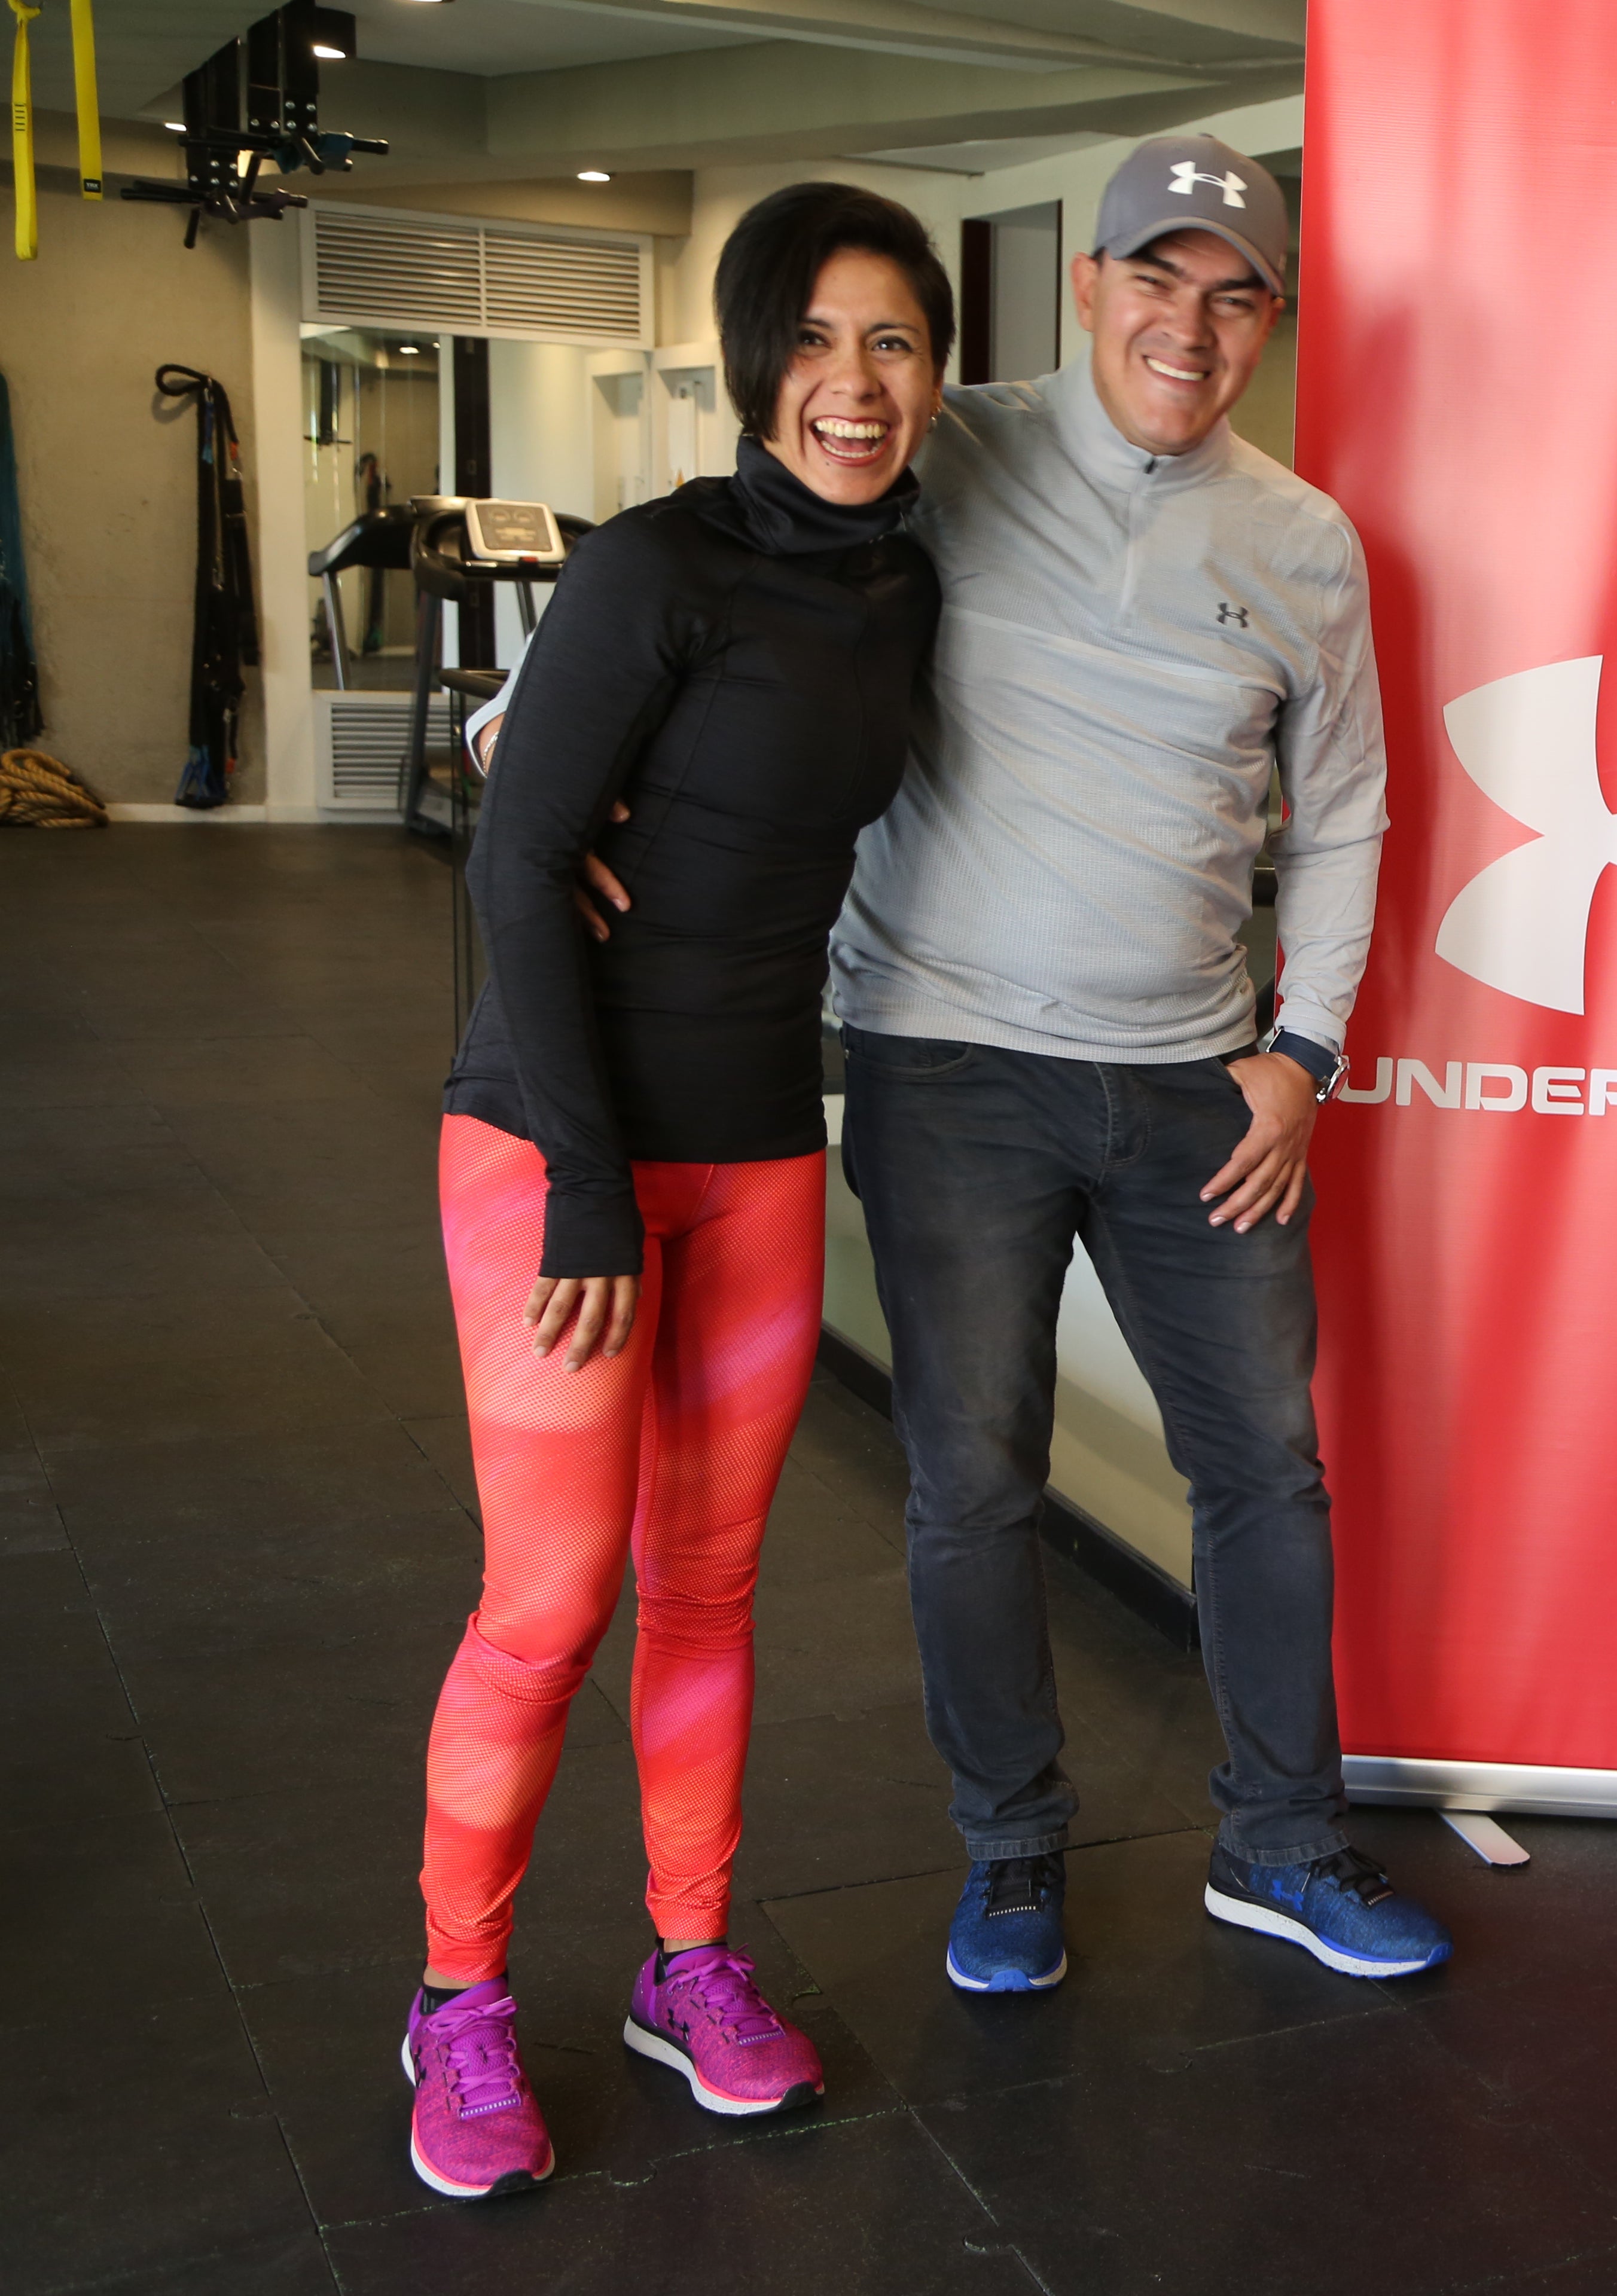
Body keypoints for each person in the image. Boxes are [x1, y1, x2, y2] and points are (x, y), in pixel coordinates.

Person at [826, 136, 1441, 1990]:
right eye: (1156, 280)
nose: (1191, 325)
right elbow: (729, 575)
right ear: (1086, 287)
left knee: (1267, 1473)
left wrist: (1303, 1050)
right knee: (973, 1482)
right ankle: (1012, 1852)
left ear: (1272, 321)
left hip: (1197, 1085)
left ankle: (1282, 1844)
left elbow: (1346, 816)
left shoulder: (1303, 539)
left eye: (1236, 295)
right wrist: (554, 727)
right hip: (949, 1066)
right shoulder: (943, 451)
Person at [402, 184, 948, 2200]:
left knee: (708, 1587)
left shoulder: (907, 584)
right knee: (549, 1606)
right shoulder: (656, 562)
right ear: (746, 360)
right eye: (811, 338)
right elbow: (514, 859)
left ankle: (687, 1961)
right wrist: (581, 1181)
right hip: (559, 1147)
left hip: (759, 1147)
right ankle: (456, 2000)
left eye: (893, 342)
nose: (852, 383)